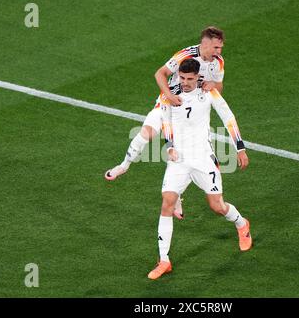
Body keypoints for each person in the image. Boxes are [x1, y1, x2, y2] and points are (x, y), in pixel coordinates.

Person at [105, 26, 226, 218]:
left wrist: (214, 85)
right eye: (216, 47)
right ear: (205, 44)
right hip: (167, 104)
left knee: (180, 154)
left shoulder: (218, 62)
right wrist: (168, 95)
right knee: (146, 133)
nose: (219, 52)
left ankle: (176, 197)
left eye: (220, 48)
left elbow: (219, 85)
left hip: (191, 114)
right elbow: (160, 73)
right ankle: (124, 165)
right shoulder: (185, 56)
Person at [147, 58, 251, 280]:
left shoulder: (208, 92)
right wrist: (170, 146)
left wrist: (240, 149)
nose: (185, 82)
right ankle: (164, 260)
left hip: (204, 159)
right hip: (180, 161)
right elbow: (165, 121)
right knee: (166, 202)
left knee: (217, 206)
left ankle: (242, 224)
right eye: (182, 78)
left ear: (197, 77)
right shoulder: (169, 95)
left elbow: (228, 118)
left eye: (189, 79)